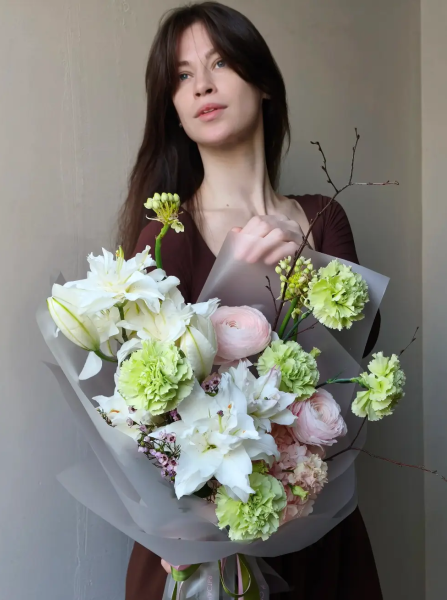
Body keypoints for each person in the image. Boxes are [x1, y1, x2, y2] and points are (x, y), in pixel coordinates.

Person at [117, 2, 382, 598]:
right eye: (182, 75)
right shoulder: (164, 234)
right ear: (173, 108)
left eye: (220, 63)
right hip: (197, 545)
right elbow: (140, 407)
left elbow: (358, 363)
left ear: (263, 82)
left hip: (314, 522)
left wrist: (301, 268)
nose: (202, 86)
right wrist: (184, 526)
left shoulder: (323, 218)